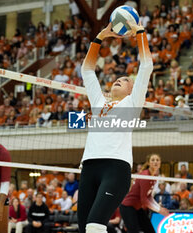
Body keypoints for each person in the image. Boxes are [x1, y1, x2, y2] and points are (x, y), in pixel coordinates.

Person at [77, 20, 154, 233]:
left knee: (94, 226)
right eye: (117, 79)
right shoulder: (99, 102)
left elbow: (147, 66)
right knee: (84, 229)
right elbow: (87, 69)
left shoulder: (132, 103)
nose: (119, 80)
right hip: (89, 167)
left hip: (116, 169)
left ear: (132, 90)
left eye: (125, 80)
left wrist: (139, 32)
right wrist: (100, 37)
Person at [120, 154, 169, 233]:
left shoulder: (154, 176)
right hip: (127, 207)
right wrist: (159, 210)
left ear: (160, 163)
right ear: (149, 163)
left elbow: (149, 196)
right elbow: (144, 200)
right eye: (153, 160)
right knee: (134, 231)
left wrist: (159, 207)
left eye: (157, 160)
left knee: (149, 230)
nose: (155, 162)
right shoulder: (145, 176)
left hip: (137, 207)